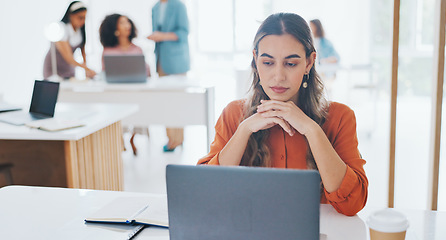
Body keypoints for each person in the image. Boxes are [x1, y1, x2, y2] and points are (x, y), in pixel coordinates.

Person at [198, 13, 368, 216]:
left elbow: (352, 204)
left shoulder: (340, 117)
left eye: (291, 63)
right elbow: (206, 194)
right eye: (268, 63)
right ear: (255, 60)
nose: (278, 76)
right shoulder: (234, 114)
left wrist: (312, 130)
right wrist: (244, 130)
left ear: (309, 63)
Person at [99, 13, 151, 156]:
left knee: (142, 108)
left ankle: (133, 138)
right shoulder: (108, 51)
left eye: (128, 22)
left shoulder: (137, 49)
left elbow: (146, 72)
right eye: (122, 23)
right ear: (115, 28)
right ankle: (119, 138)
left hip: (137, 92)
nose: (127, 25)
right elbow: (105, 73)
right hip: (116, 94)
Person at [147, 0, 190, 152]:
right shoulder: (155, 8)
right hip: (161, 60)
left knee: (177, 100)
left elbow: (183, 33)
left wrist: (162, 36)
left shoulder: (179, 6)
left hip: (177, 61)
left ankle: (178, 139)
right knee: (166, 101)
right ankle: (171, 138)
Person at [43, 1, 96, 80]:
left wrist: (87, 71)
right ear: (71, 15)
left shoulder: (80, 31)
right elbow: (68, 57)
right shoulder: (62, 29)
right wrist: (86, 68)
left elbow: (83, 52)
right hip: (54, 69)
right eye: (80, 17)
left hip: (68, 68)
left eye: (85, 18)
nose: (83, 21)